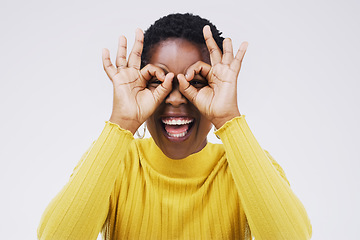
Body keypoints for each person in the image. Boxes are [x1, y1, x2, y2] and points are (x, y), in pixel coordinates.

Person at [37, 13, 312, 239]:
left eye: (197, 82)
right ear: (141, 85)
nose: (177, 97)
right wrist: (122, 121)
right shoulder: (116, 161)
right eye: (159, 81)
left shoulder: (245, 165)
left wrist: (228, 118)